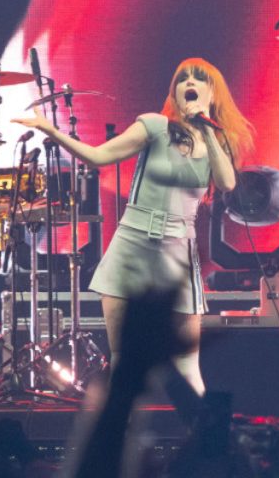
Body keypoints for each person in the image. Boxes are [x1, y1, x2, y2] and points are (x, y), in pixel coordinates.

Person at [14, 57, 253, 395]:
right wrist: (52, 132)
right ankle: (120, 426)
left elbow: (227, 183)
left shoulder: (219, 143)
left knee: (187, 364)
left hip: (177, 250)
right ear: (174, 91)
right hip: (133, 243)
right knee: (124, 361)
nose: (189, 83)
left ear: (213, 93)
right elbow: (98, 156)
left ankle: (203, 426)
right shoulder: (155, 126)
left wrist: (208, 130)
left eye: (199, 79)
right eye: (182, 78)